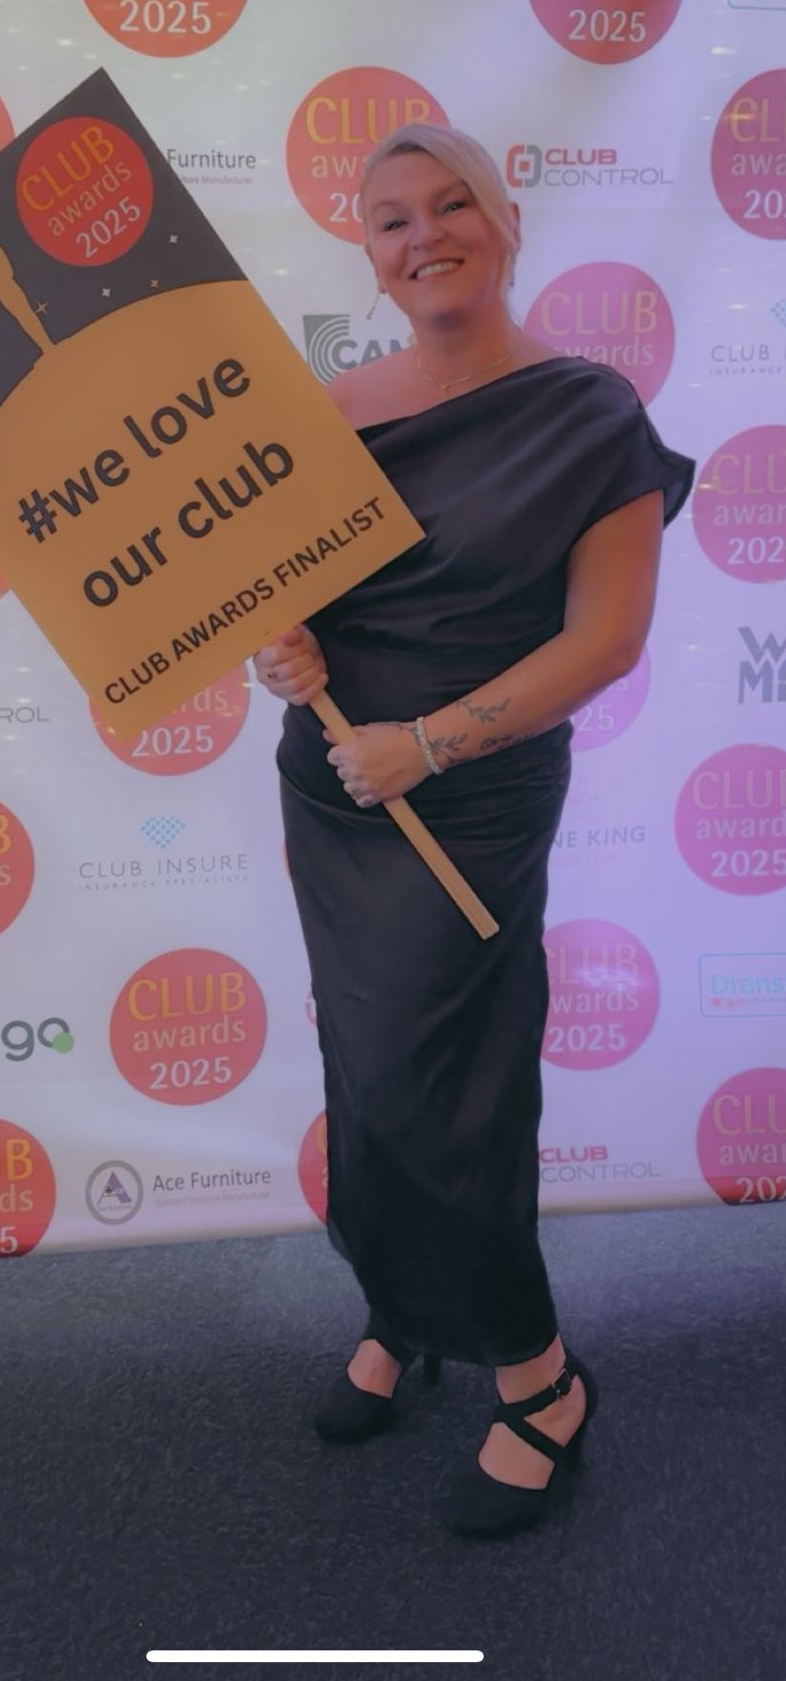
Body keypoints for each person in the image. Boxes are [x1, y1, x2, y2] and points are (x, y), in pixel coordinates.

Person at [253, 122, 695, 1540]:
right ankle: (403, 1312)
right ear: (367, 253)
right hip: (336, 785)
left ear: (506, 222)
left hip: (474, 796)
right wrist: (288, 655)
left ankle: (538, 1379)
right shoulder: (328, 412)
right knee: (366, 1069)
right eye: (391, 218)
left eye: (452, 205)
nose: (423, 234)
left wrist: (431, 742)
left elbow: (606, 640)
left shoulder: (590, 415)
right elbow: (291, 605)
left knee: (454, 1088)